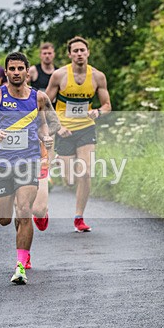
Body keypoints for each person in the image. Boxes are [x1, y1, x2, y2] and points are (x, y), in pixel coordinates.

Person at [0, 52, 69, 283]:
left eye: (20, 68)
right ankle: (22, 242)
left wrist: (46, 136)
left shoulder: (39, 98)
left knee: (24, 209)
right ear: (6, 71)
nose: (16, 73)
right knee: (5, 219)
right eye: (12, 69)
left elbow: (50, 123)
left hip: (28, 161)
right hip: (0, 163)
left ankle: (20, 266)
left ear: (28, 71)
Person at [45, 36, 112, 232]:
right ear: (69, 54)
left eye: (82, 50)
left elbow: (107, 105)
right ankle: (59, 161)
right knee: (69, 180)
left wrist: (98, 112)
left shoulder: (98, 77)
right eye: (75, 51)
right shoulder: (59, 76)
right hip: (64, 129)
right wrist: (57, 127)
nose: (79, 54)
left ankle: (79, 218)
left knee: (85, 172)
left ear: (88, 52)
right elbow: (45, 105)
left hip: (86, 128)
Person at [27, 42, 57, 231]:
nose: (47, 55)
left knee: (47, 146)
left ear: (53, 54)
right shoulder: (33, 71)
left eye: (49, 53)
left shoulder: (57, 73)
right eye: (44, 53)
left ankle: (47, 175)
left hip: (48, 116)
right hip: (32, 117)